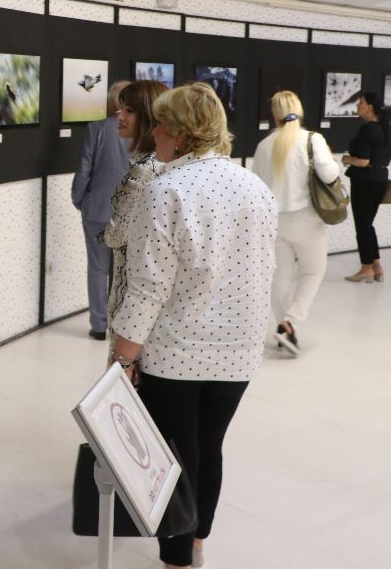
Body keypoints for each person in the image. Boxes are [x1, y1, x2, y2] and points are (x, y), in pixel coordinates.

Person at [110, 83, 277, 569]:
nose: (154, 132)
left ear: (181, 136)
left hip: (177, 351)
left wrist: (122, 358)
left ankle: (177, 558)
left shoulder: (166, 190)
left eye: (161, 125)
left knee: (173, 457)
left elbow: (147, 288)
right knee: (209, 447)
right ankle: (198, 542)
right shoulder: (254, 186)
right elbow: (261, 271)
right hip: (239, 351)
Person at [250, 91, 339, 356]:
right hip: (307, 219)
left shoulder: (264, 145)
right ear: (299, 111)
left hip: (273, 222)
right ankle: (290, 321)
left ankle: (283, 325)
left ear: (274, 115)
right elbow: (330, 173)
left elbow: (256, 184)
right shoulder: (312, 140)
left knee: (280, 277)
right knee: (313, 272)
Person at [98, 79, 168, 360]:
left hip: (133, 294)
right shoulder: (166, 162)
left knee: (123, 381)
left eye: (129, 110)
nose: (120, 115)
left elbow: (118, 235)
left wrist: (107, 228)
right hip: (159, 299)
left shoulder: (143, 171)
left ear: (148, 115)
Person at [72, 80, 132, 340]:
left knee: (97, 268)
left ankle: (99, 326)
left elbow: (85, 169)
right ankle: (123, 323)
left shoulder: (97, 129)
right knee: (125, 269)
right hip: (130, 213)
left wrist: (79, 199)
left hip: (96, 209)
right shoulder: (143, 131)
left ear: (111, 102)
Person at [341, 91, 391, 283]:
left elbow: (363, 161)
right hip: (380, 179)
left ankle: (366, 268)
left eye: (361, 103)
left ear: (370, 106)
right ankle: (377, 265)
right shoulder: (386, 128)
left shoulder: (367, 129)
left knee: (362, 226)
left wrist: (346, 159)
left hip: (365, 181)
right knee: (367, 225)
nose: (358, 106)